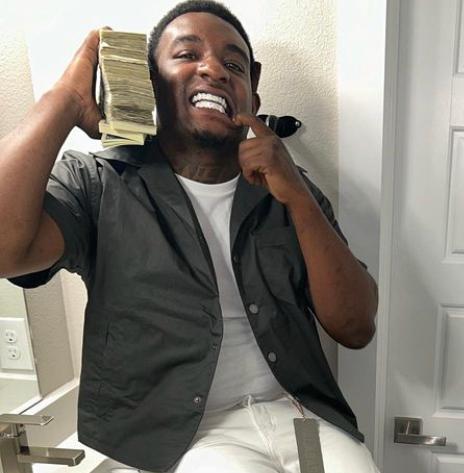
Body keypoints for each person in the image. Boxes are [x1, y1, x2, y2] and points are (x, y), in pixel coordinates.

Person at [0, 1, 380, 472]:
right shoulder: (98, 182)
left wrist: (300, 198)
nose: (214, 70)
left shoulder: (286, 187)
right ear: (150, 83)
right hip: (187, 434)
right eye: (187, 55)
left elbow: (356, 327)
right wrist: (66, 100)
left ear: (252, 91)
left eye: (234, 65)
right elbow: (6, 250)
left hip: (299, 413)